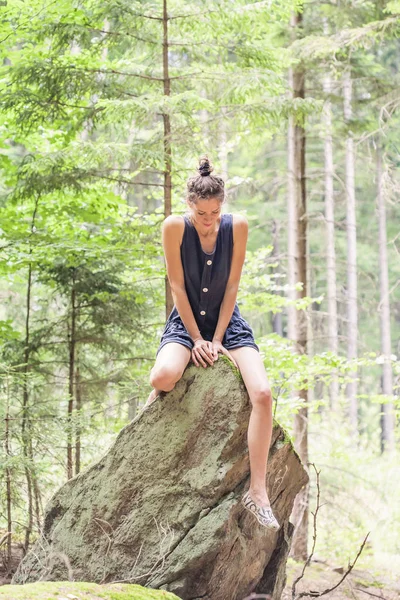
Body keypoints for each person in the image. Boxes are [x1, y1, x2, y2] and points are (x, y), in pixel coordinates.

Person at [145, 155, 279, 530]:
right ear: (190, 206)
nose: (209, 220)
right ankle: (151, 407)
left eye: (216, 212)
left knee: (264, 394)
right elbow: (176, 286)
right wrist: (196, 339)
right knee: (162, 378)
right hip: (186, 323)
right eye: (203, 214)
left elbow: (233, 285)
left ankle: (258, 491)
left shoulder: (237, 226)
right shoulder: (174, 227)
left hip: (228, 324)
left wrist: (217, 340)